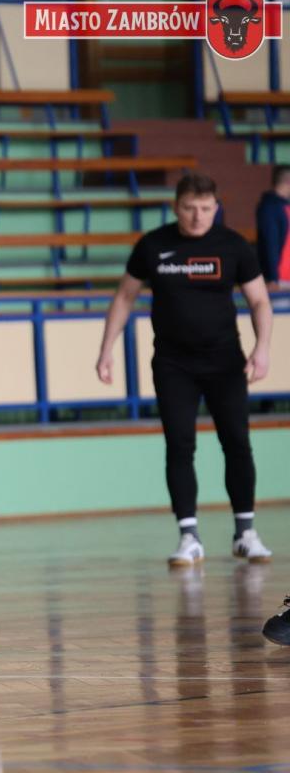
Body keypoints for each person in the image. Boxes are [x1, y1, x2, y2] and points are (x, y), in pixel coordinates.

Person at [96, 173, 273, 567]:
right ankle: (189, 536)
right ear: (176, 207)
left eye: (206, 209)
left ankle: (245, 532)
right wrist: (106, 349)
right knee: (179, 444)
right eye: (190, 208)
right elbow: (124, 297)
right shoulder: (153, 245)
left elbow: (260, 301)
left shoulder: (233, 245)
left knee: (237, 442)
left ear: (216, 208)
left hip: (225, 361)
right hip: (173, 364)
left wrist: (262, 348)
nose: (197, 216)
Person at [255, 165, 290, 287]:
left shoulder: (284, 206)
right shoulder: (270, 207)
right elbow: (270, 243)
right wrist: (273, 277)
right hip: (280, 278)